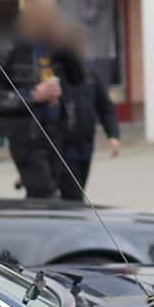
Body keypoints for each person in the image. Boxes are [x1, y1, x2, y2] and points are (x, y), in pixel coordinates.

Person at [0, 0, 76, 199]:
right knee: (46, 196)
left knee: (52, 195)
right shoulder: (8, 46)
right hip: (27, 136)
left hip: (56, 132)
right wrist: (31, 96)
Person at [59, 49, 121, 197]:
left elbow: (105, 107)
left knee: (77, 191)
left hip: (86, 145)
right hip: (63, 147)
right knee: (73, 195)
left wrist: (113, 135)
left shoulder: (90, 75)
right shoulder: (56, 74)